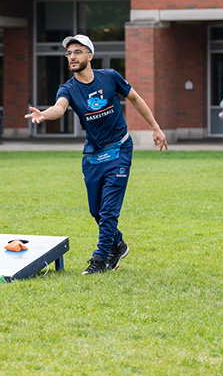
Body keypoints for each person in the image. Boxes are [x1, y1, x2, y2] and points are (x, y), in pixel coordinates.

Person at [24, 34, 168, 275]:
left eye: (78, 52)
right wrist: (44, 115)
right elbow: (59, 108)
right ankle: (118, 244)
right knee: (96, 210)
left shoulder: (110, 77)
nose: (72, 57)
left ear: (90, 55)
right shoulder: (68, 88)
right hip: (93, 155)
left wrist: (155, 127)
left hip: (119, 149)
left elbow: (134, 98)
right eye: (69, 53)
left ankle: (100, 260)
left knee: (109, 210)